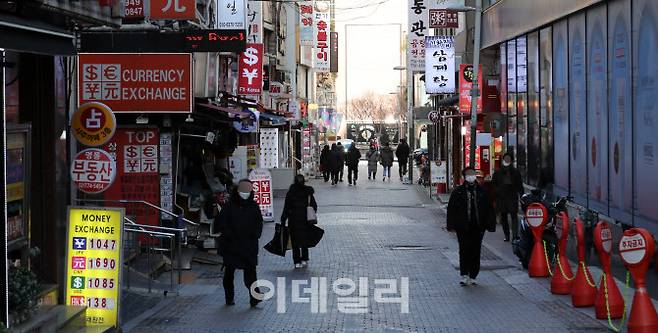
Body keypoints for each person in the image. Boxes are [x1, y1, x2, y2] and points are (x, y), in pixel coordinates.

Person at [216, 179, 264, 307]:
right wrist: (229, 235)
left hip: (249, 245)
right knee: (229, 273)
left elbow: (259, 223)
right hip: (232, 245)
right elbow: (222, 224)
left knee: (251, 274)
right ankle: (229, 297)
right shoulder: (229, 206)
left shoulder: (254, 206)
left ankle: (255, 297)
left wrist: (255, 235)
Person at [447, 167, 496, 286]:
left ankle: (473, 274)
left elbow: (489, 209)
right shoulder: (458, 192)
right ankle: (464, 274)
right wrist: (451, 225)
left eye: (473, 174)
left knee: (475, 250)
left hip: (478, 226)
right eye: (468, 174)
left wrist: (490, 225)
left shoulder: (482, 192)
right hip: (462, 226)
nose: (471, 176)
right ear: (464, 177)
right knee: (464, 250)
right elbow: (451, 209)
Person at [281, 175, 318, 268]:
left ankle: (297, 261)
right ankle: (305, 258)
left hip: (293, 220)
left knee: (295, 241)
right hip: (305, 220)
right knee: (305, 239)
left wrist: (283, 219)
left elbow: (286, 207)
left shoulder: (291, 192)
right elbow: (314, 206)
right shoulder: (308, 192)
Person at [491, 153, 524, 242]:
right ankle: (507, 235)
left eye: (509, 158)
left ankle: (515, 235)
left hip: (512, 197)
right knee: (504, 217)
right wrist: (497, 191)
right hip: (501, 198)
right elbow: (493, 184)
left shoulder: (515, 172)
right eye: (506, 158)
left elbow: (519, 184)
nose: (507, 160)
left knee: (514, 216)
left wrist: (521, 195)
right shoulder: (498, 172)